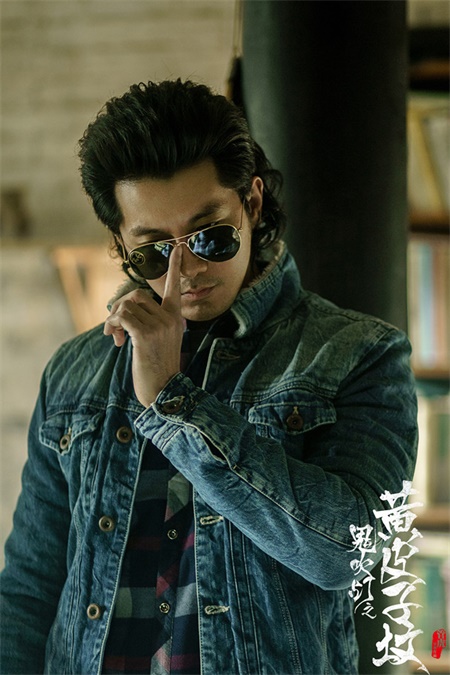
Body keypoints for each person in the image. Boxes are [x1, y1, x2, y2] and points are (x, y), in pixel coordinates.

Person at [0, 79, 418, 675]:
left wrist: (175, 402)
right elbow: (28, 591)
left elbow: (349, 553)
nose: (186, 270)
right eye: (153, 251)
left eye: (211, 236)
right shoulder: (75, 372)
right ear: (120, 244)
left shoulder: (359, 354)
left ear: (252, 203)